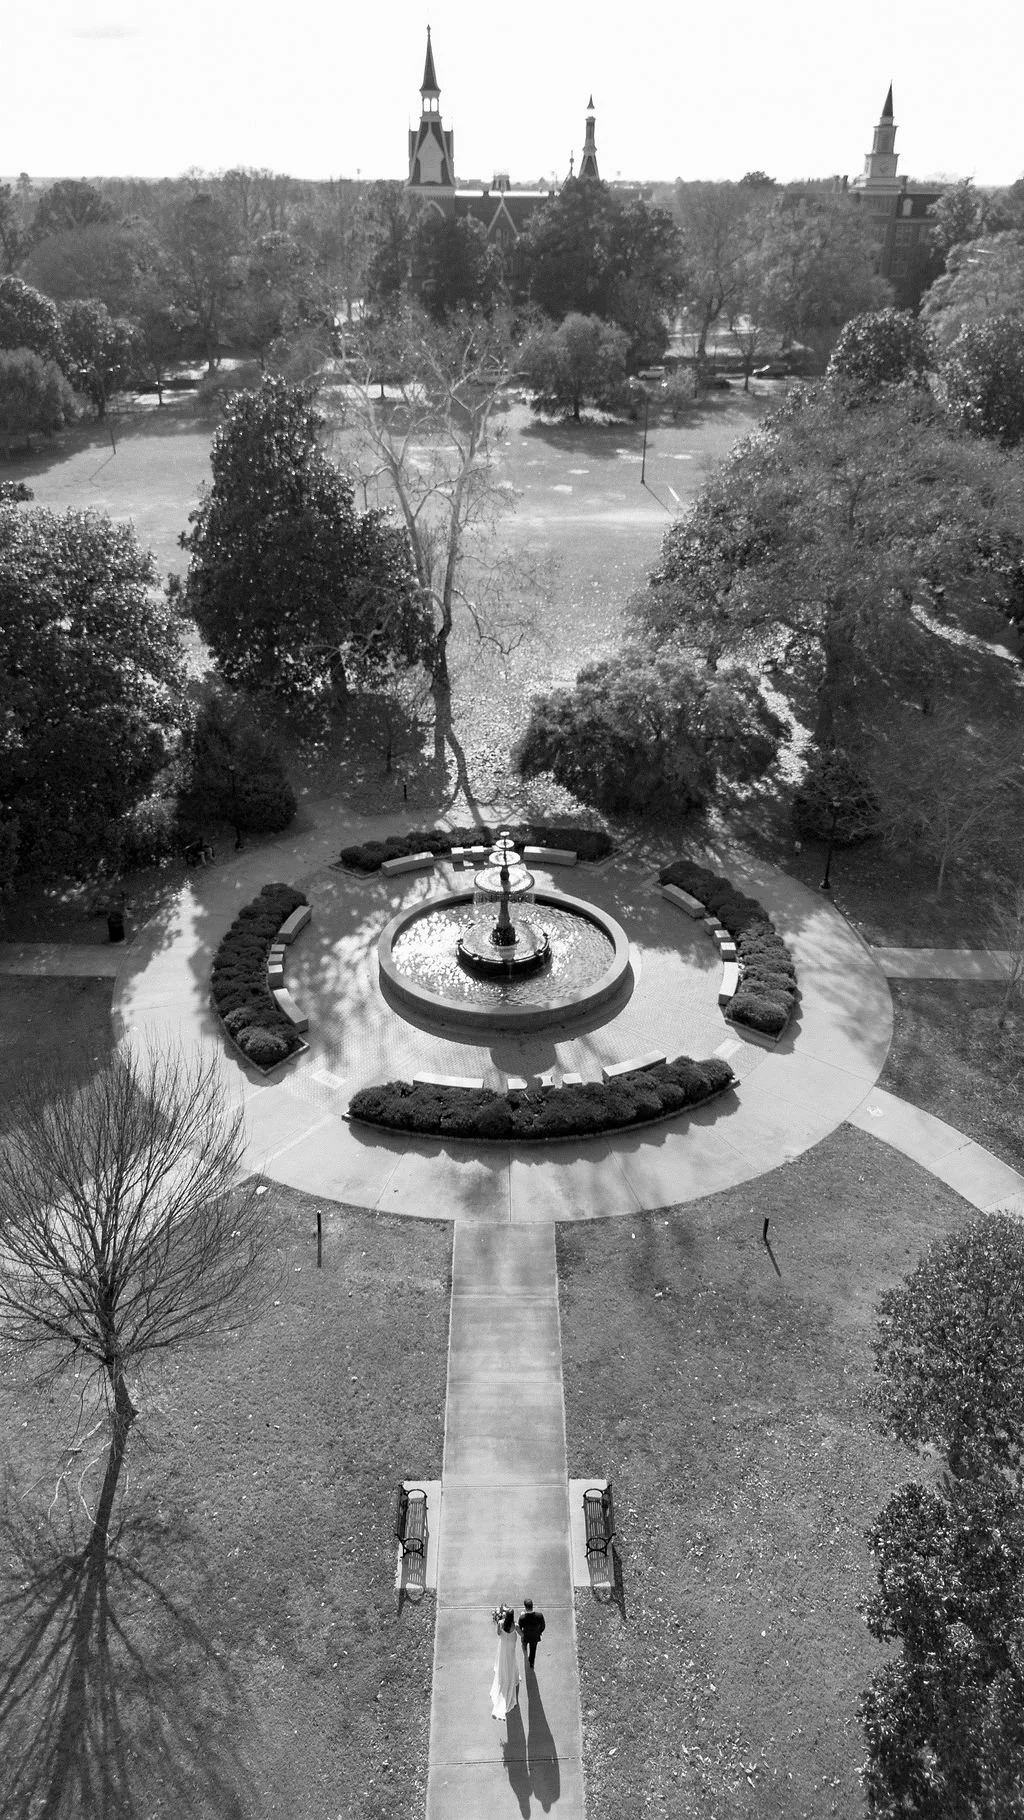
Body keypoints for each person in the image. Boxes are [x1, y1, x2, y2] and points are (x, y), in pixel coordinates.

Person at [490, 1606, 520, 1720]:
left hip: (503, 1645)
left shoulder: (501, 1623)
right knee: (511, 1660)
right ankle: (513, 1676)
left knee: (503, 1660)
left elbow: (498, 1634)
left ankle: (499, 1708)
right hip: (511, 1646)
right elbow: (521, 1635)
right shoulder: (515, 1625)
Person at [518, 1597, 546, 1668]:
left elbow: (519, 1628)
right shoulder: (539, 1615)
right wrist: (539, 1632)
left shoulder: (522, 1617)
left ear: (525, 1607)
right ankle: (531, 1663)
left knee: (524, 1643)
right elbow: (543, 1626)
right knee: (533, 1650)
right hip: (535, 1636)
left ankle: (524, 1648)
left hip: (526, 1636)